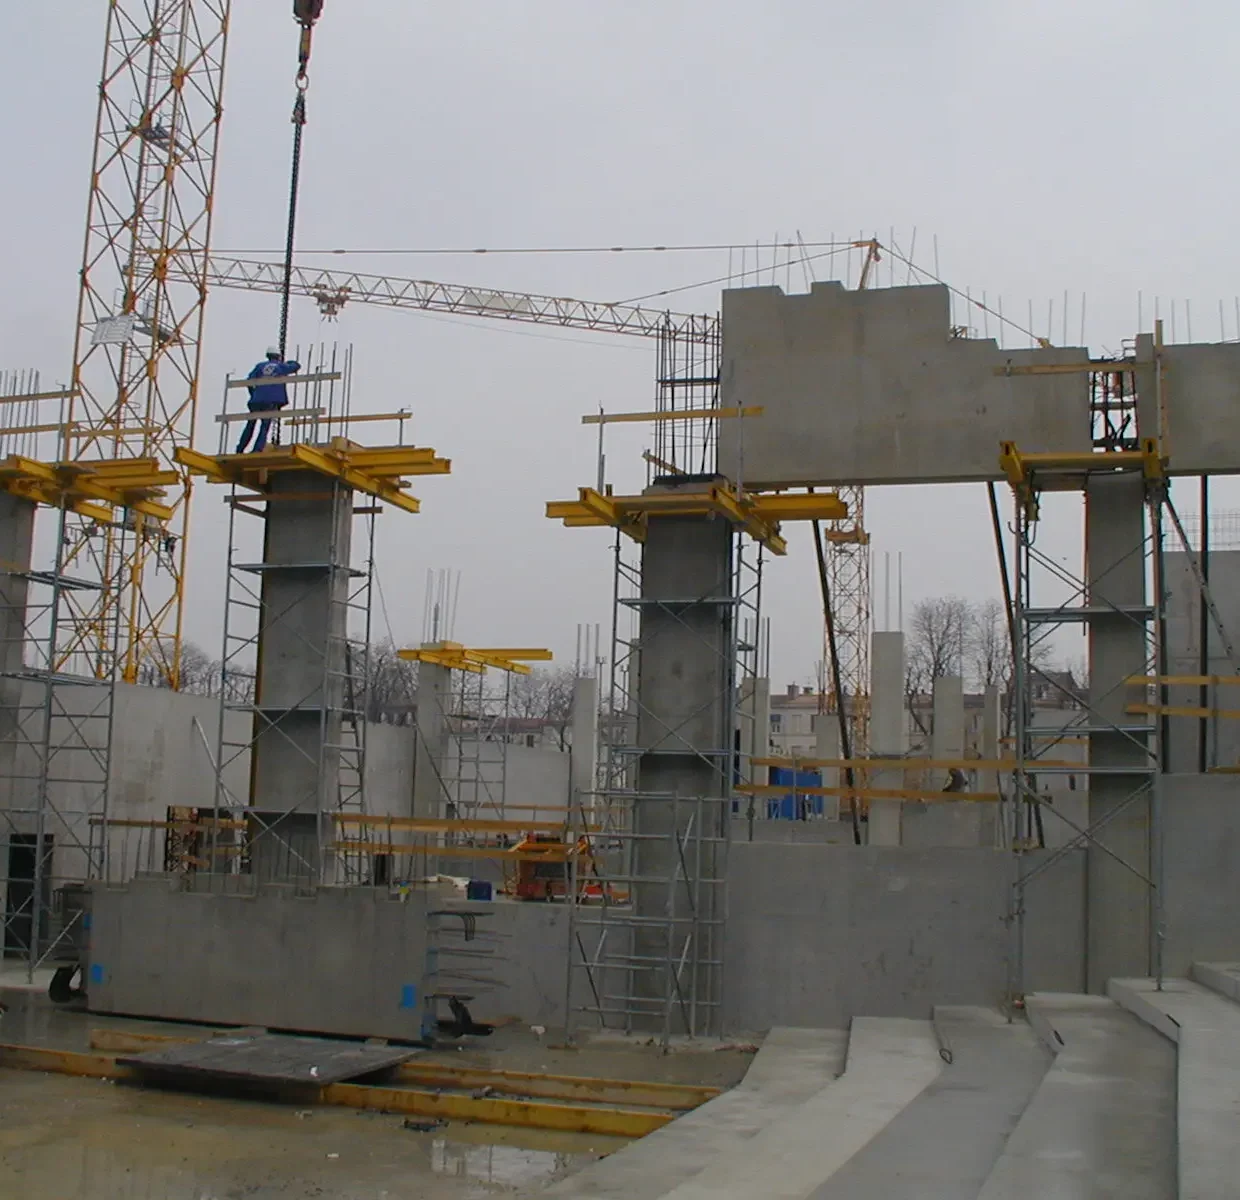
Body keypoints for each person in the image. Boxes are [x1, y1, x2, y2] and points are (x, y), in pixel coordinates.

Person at [235, 348, 301, 453]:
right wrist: (289, 362)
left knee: (250, 425)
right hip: (271, 401)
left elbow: (249, 381)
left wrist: (254, 395)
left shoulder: (259, 366)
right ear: (278, 357)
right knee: (264, 426)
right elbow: (296, 366)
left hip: (256, 400)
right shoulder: (281, 366)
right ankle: (257, 449)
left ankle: (240, 449)